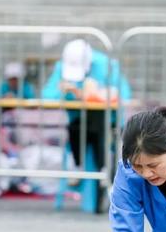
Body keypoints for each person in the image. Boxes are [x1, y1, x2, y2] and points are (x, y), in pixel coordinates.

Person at [41, 39, 132, 171]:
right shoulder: (63, 67)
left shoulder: (107, 65)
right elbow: (47, 95)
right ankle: (78, 165)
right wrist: (62, 91)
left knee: (100, 126)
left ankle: (105, 169)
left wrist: (97, 94)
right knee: (76, 129)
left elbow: (123, 94)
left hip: (107, 122)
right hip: (78, 123)